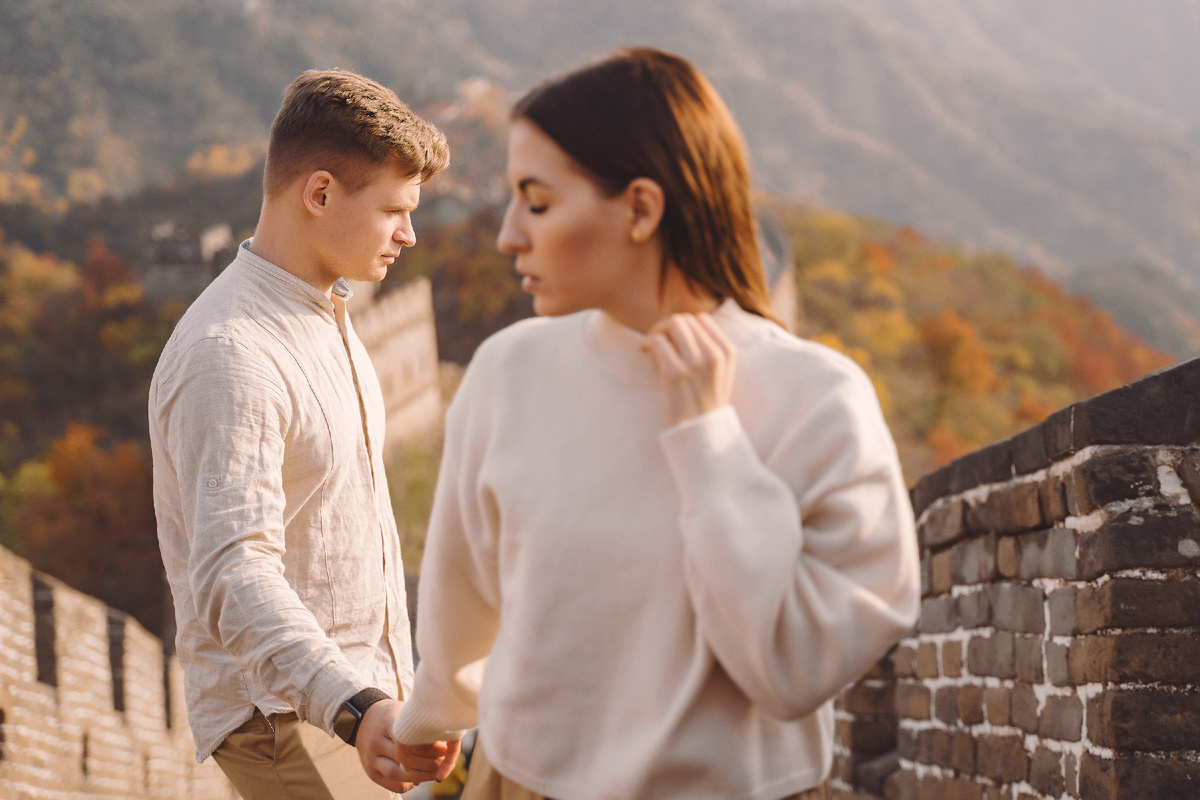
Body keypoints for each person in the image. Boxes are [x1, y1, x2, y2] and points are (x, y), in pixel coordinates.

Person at [390, 47, 921, 800]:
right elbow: (460, 614)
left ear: (640, 209)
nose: (508, 235)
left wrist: (709, 442)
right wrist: (426, 739)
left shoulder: (818, 399)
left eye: (537, 203)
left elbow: (791, 672)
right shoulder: (508, 371)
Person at [149, 68, 460, 799]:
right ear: (319, 194)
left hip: (352, 703)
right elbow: (233, 571)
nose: (409, 234)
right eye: (393, 210)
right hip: (290, 717)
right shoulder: (230, 352)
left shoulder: (326, 317)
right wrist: (354, 707)